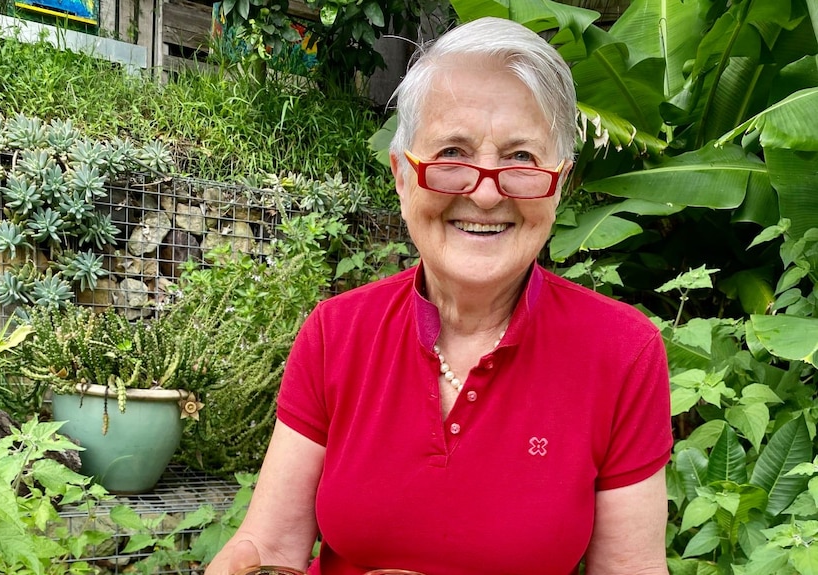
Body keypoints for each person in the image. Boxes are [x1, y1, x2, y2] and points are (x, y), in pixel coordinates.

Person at [206, 16, 672, 575]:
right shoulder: (337, 332)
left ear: (560, 183)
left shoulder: (622, 351)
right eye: (453, 153)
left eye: (521, 159)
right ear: (403, 177)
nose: (485, 190)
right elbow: (271, 548)